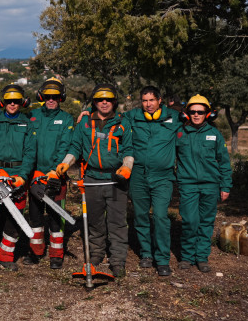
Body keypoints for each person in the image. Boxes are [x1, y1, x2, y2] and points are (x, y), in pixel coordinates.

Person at [56, 84, 134, 277]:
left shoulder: (123, 123)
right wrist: (66, 163)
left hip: (116, 179)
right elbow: (75, 146)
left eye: (108, 99)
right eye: (100, 99)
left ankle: (117, 260)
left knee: (117, 222)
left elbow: (128, 150)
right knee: (94, 221)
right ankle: (97, 254)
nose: (104, 102)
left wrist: (127, 167)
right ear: (95, 102)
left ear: (114, 102)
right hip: (91, 178)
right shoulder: (84, 122)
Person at [122, 86, 181, 276]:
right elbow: (109, 116)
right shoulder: (133, 116)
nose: (148, 105)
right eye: (145, 101)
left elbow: (196, 117)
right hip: (138, 174)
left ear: (160, 100)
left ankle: (162, 259)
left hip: (163, 176)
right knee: (140, 216)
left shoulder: (174, 117)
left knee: (161, 216)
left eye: (152, 100)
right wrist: (87, 113)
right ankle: (146, 254)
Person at [0, 84, 37, 271]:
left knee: (14, 218)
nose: (12, 104)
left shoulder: (27, 124)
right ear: (3, 102)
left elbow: (30, 153)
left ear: (22, 102)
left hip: (17, 175)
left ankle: (6, 256)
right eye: (9, 101)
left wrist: (22, 176)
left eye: (16, 101)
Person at [176, 95, 232, 273]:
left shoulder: (214, 134)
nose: (196, 115)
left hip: (210, 185)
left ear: (208, 113)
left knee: (206, 222)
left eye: (200, 112)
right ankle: (186, 257)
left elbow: (224, 161)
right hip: (188, 185)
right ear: (187, 113)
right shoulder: (180, 133)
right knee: (190, 221)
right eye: (192, 112)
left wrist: (225, 186)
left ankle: (201, 257)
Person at [27, 78, 74, 269]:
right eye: (48, 96)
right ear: (42, 97)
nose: (51, 99)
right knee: (36, 217)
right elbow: (28, 145)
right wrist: (33, 171)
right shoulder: (32, 116)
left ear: (61, 97)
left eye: (55, 96)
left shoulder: (67, 119)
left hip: (57, 175)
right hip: (35, 175)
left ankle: (56, 254)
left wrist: (55, 170)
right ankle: (35, 251)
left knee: (56, 217)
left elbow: (66, 145)